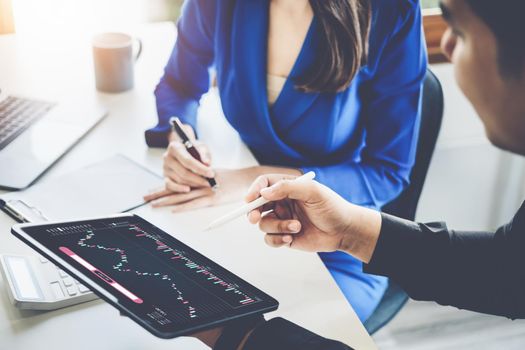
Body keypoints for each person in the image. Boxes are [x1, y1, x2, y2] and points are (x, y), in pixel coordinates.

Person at [186, 0, 525, 348]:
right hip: (304, 224)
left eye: (460, 30)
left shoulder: (388, 13)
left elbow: (389, 171)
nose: (447, 46)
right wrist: (350, 232)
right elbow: (510, 268)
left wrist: (236, 338)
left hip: (333, 248)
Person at [144, 0, 427, 322]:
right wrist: (182, 140)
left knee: (277, 332)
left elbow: (388, 172)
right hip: (234, 210)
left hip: (333, 230)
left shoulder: (391, 9)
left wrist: (257, 177)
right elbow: (179, 84)